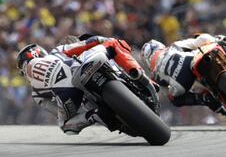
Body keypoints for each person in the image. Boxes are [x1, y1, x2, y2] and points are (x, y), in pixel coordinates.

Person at [16, 35, 152, 134]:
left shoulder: (35, 92)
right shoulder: (56, 51)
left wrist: (80, 111)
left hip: (68, 94)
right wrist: (100, 40)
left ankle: (95, 115)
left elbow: (56, 112)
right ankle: (141, 77)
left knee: (66, 126)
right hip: (83, 67)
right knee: (113, 43)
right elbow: (86, 44)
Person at [140, 33, 226, 114]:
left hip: (182, 83)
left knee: (174, 99)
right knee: (219, 43)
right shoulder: (173, 46)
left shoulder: (155, 74)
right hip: (190, 61)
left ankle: (205, 99)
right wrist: (216, 39)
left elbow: (164, 93)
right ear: (160, 46)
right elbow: (200, 40)